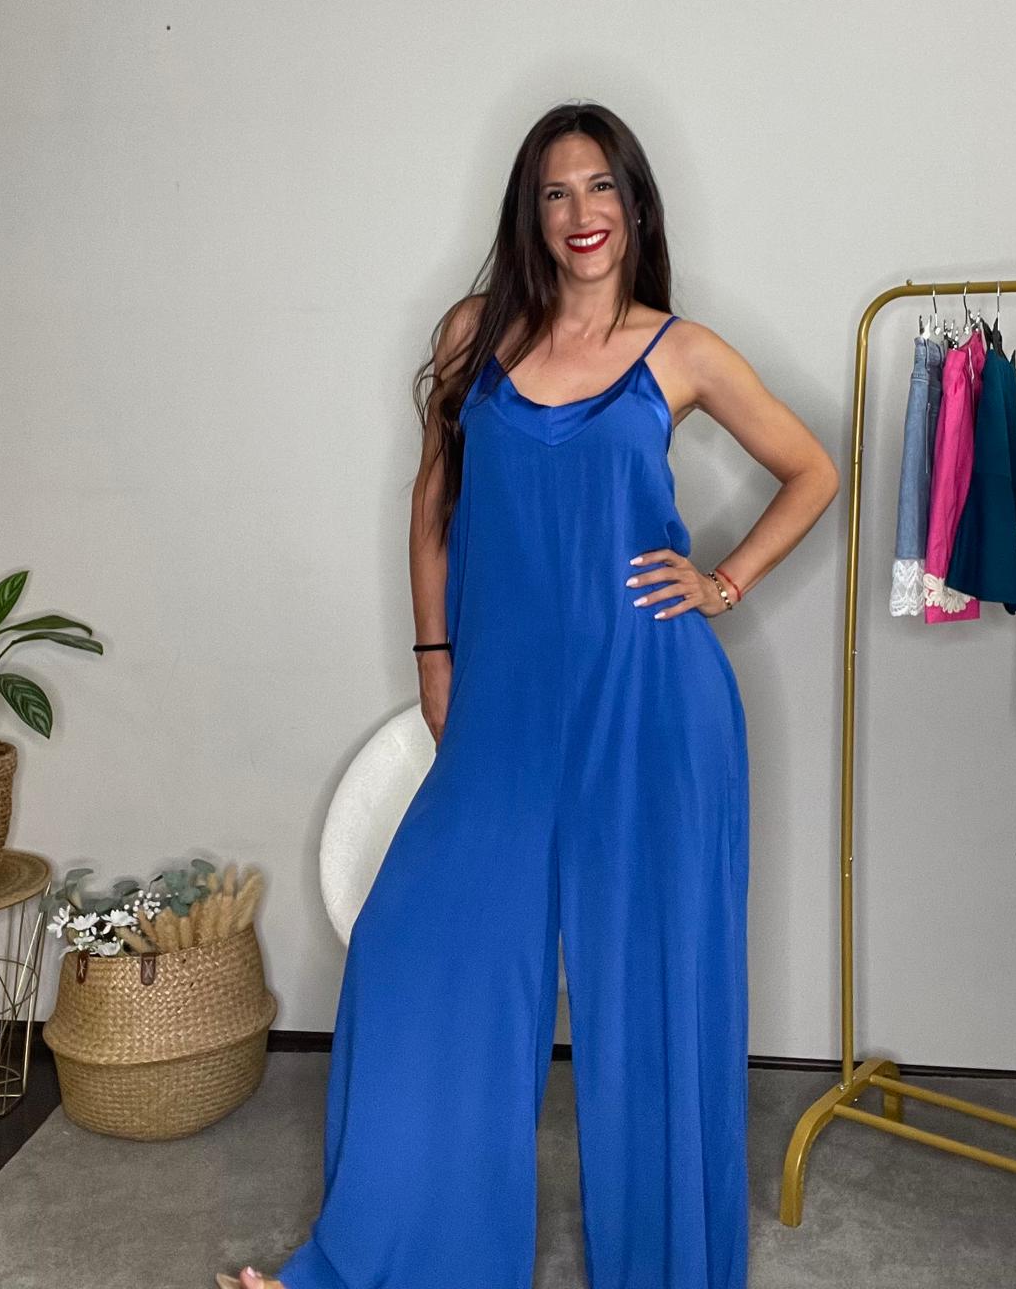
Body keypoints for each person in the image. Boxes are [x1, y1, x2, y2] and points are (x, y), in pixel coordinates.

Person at [217, 100, 839, 1289]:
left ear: (634, 205)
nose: (579, 212)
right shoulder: (475, 335)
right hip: (502, 708)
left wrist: (722, 581)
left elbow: (811, 468)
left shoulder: (680, 352)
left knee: (652, 998)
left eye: (599, 186)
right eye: (555, 191)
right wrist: (433, 659)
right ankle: (387, 1262)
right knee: (412, 950)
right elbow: (431, 504)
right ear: (530, 213)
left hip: (649, 708)